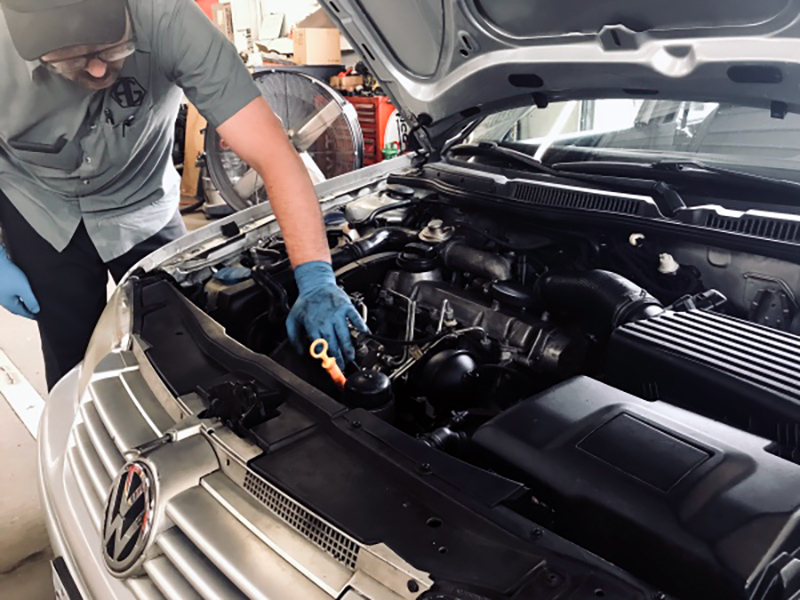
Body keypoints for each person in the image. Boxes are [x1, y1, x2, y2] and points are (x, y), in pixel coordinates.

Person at [0, 0, 366, 390]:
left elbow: (274, 154)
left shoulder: (168, 18)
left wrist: (315, 276)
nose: (97, 68)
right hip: (40, 206)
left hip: (142, 202)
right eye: (74, 58)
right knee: (72, 361)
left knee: (186, 342)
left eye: (112, 49)